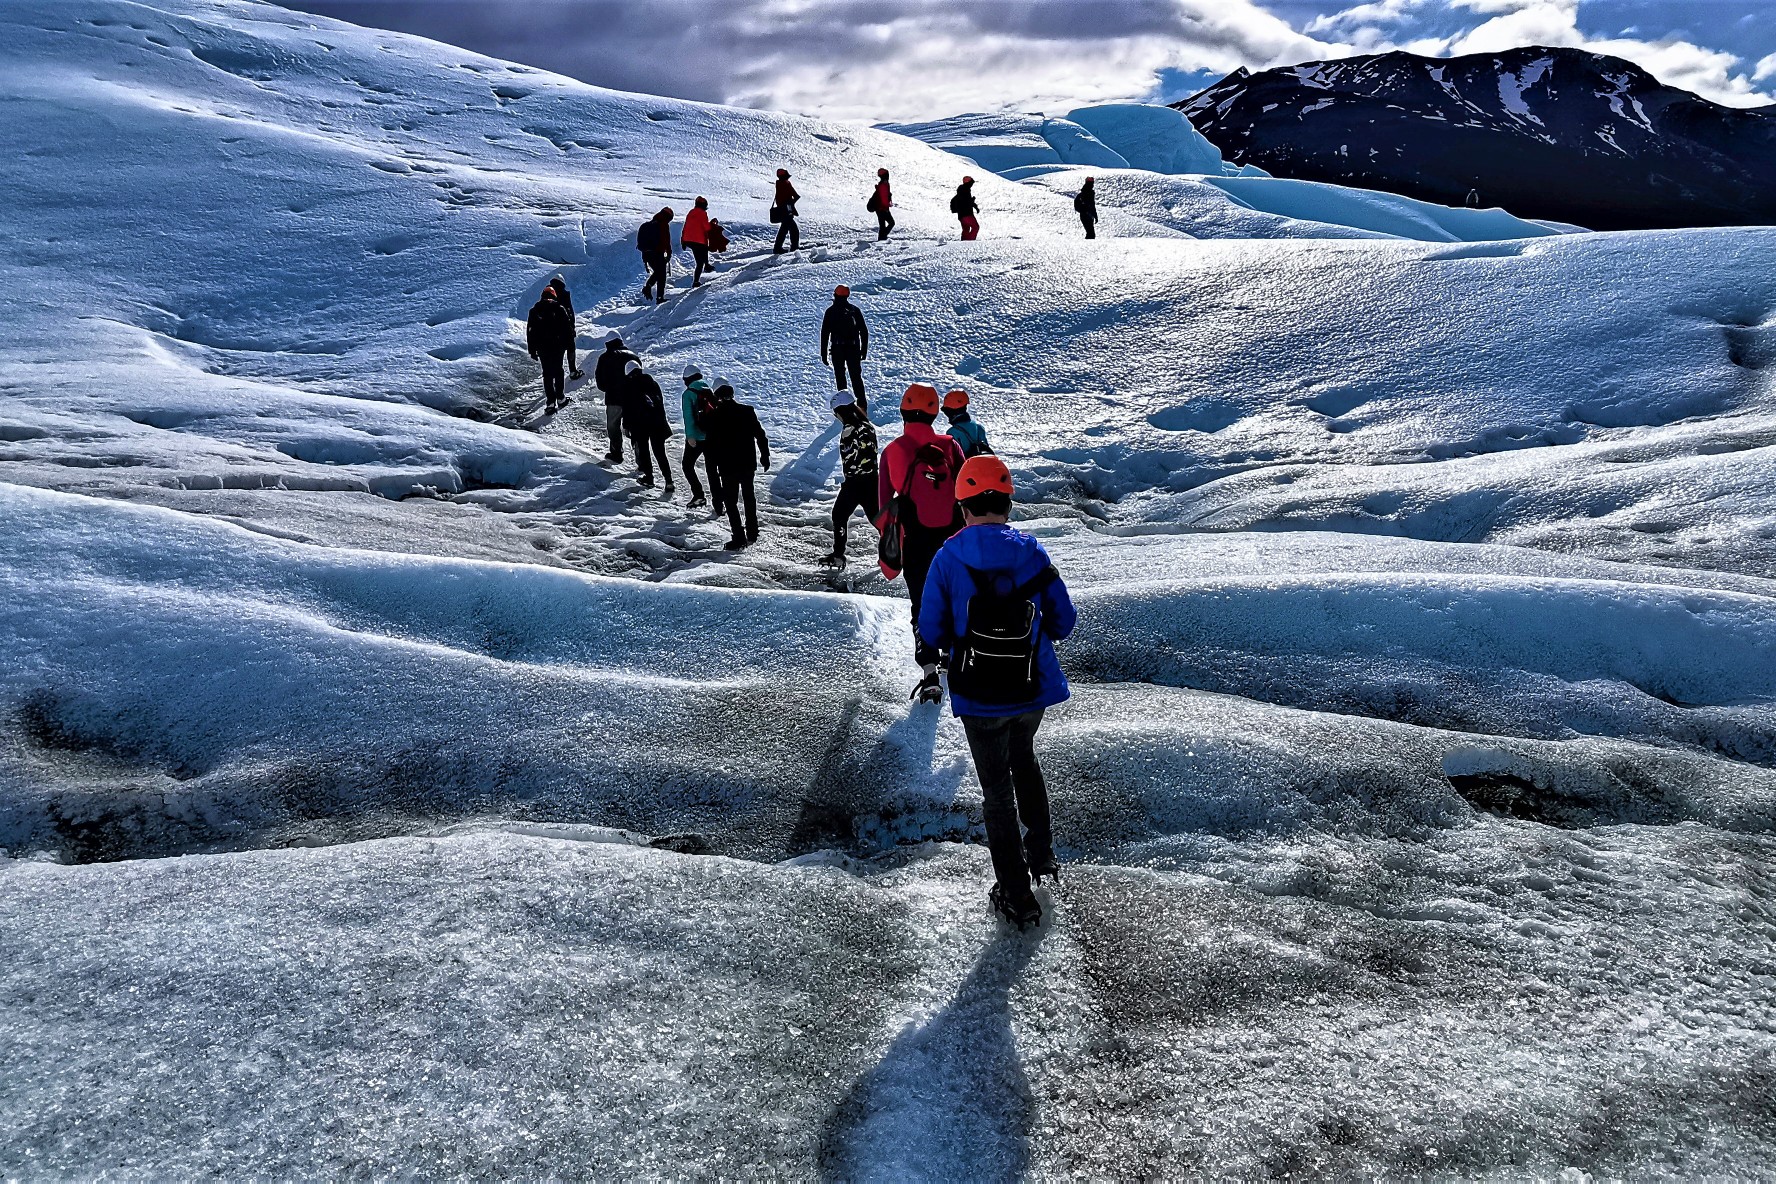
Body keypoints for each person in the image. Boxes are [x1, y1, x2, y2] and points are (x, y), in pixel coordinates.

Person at [918, 455, 1076, 930]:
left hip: (980, 693)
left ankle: (1015, 893)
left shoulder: (947, 558)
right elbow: (1064, 623)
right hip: (1031, 688)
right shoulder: (1032, 552)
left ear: (962, 505)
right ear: (1007, 503)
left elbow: (932, 629)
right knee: (1024, 759)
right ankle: (1043, 855)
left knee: (996, 794)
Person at [878, 383, 965, 701]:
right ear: (933, 413)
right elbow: (965, 489)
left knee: (922, 603)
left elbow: (883, 505)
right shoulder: (950, 444)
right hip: (952, 537)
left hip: (915, 538)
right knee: (954, 597)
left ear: (903, 411)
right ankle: (952, 657)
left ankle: (929, 674)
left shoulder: (893, 451)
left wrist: (890, 542)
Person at [702, 378, 770, 548]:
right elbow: (760, 435)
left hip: (727, 466)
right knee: (749, 497)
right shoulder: (747, 411)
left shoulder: (714, 417)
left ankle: (739, 537)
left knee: (731, 502)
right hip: (747, 464)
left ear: (716, 395)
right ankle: (753, 532)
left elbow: (710, 446)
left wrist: (711, 468)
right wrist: (765, 456)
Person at [819, 390, 879, 569]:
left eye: (836, 412)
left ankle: (838, 555)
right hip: (870, 481)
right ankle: (895, 551)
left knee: (839, 515)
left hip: (856, 483)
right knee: (877, 520)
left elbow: (853, 458)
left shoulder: (851, 429)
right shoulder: (867, 425)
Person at [622, 359, 674, 492]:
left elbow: (628, 409)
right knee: (660, 452)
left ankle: (649, 478)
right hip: (657, 423)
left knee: (644, 451)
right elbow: (660, 404)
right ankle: (668, 481)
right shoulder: (653, 383)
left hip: (640, 424)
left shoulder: (629, 386)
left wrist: (626, 425)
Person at [680, 363, 722, 512]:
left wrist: (690, 436)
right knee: (712, 471)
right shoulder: (709, 390)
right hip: (711, 436)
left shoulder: (688, 394)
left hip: (697, 438)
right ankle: (719, 505)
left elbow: (688, 417)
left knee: (687, 465)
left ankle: (698, 495)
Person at [525, 286, 573, 414]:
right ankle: (561, 398)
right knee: (558, 371)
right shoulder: (559, 308)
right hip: (558, 346)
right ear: (554, 296)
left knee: (547, 373)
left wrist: (532, 350)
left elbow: (530, 332)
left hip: (542, 348)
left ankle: (550, 402)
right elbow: (567, 328)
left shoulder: (534, 311)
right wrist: (569, 345)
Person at [820, 286, 870, 409]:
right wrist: (863, 350)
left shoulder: (830, 312)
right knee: (856, 377)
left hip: (837, 349)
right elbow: (864, 331)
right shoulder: (854, 310)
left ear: (835, 295)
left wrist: (823, 353)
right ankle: (862, 405)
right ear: (847, 295)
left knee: (840, 377)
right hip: (853, 349)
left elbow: (825, 333)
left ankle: (845, 406)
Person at [594, 330, 638, 462]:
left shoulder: (604, 357)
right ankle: (642, 461)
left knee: (613, 426)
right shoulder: (633, 356)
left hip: (614, 398)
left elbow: (600, 382)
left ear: (608, 343)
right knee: (635, 428)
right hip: (633, 399)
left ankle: (616, 453)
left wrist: (610, 388)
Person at [546, 275, 583, 377]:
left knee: (557, 352)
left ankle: (555, 373)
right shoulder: (564, 294)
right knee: (570, 347)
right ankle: (573, 371)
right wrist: (572, 327)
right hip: (565, 329)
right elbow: (570, 312)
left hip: (551, 331)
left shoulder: (547, 294)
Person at [638, 207, 674, 304]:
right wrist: (669, 254)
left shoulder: (650, 224)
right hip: (657, 253)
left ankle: (648, 287)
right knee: (661, 275)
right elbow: (666, 241)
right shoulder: (663, 225)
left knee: (658, 272)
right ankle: (659, 297)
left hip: (646, 254)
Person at [942, 388, 992, 457]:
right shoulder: (979, 427)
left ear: (950, 412)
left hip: (968, 467)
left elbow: (954, 459)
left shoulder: (952, 433)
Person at [682, 197, 713, 288]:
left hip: (688, 240)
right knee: (700, 262)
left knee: (702, 253)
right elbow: (706, 228)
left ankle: (706, 265)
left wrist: (683, 240)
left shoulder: (691, 212)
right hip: (698, 241)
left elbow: (685, 226)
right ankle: (696, 281)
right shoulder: (703, 214)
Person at [772, 168, 800, 253]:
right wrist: (791, 203)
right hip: (787, 210)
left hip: (782, 210)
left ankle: (779, 248)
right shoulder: (786, 184)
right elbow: (796, 195)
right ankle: (792, 247)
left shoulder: (778, 184)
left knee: (786, 229)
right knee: (792, 229)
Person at [950, 176, 980, 241]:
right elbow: (967, 201)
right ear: (968, 183)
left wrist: (972, 202)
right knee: (975, 227)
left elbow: (965, 201)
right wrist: (974, 205)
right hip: (967, 214)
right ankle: (969, 243)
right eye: (971, 183)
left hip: (961, 215)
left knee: (966, 229)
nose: (972, 184)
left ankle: (963, 244)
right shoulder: (965, 190)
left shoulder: (961, 191)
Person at [870, 168, 895, 240]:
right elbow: (884, 198)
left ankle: (882, 238)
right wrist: (886, 206)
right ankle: (882, 238)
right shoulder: (884, 185)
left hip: (879, 208)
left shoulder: (882, 184)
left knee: (882, 225)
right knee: (891, 223)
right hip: (882, 208)